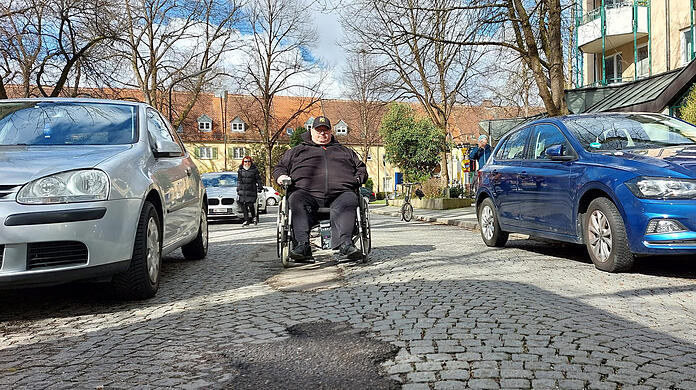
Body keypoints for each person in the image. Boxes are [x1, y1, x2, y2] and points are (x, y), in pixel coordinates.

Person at [273, 115, 368, 263]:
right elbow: (280, 167)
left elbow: (361, 169)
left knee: (350, 199)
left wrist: (356, 180)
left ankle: (346, 245)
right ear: (311, 131)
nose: (322, 133)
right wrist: (281, 177)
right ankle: (302, 246)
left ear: (331, 132)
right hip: (306, 194)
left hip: (340, 194)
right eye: (319, 130)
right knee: (295, 199)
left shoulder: (345, 151)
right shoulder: (297, 151)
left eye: (326, 130)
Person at [237, 156, 263, 226]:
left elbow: (258, 180)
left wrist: (260, 187)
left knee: (250, 204)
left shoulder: (254, 170)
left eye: (248, 161)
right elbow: (239, 180)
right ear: (243, 162)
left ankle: (254, 217)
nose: (247, 163)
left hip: (251, 189)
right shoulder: (240, 170)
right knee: (243, 205)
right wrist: (238, 188)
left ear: (251, 162)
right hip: (243, 190)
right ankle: (246, 220)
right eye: (245, 161)